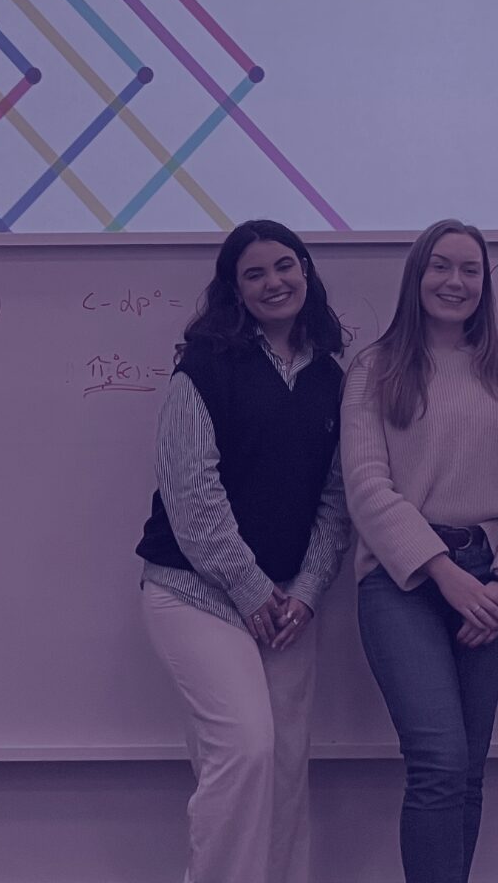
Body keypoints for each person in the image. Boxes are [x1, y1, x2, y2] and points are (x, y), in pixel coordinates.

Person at [135, 220, 352, 883]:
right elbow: (190, 494)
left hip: (287, 607)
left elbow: (335, 502)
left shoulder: (332, 376)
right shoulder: (203, 364)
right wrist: (253, 590)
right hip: (193, 594)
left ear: (306, 271)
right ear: (234, 289)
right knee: (245, 752)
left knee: (285, 769)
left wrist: (307, 592)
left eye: (284, 266)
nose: (273, 282)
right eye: (253, 274)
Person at [341, 219, 498, 883]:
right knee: (436, 762)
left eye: (469, 270)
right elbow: (367, 486)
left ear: (484, 285)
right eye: (440, 266)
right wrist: (442, 573)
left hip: (493, 584)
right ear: (416, 276)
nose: (454, 282)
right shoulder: (375, 368)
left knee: (468, 769)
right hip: (401, 584)